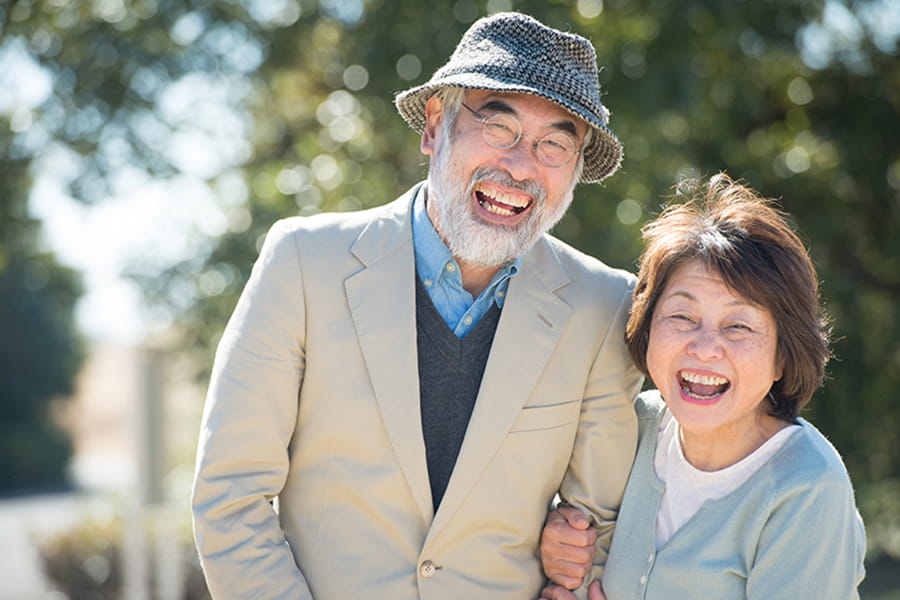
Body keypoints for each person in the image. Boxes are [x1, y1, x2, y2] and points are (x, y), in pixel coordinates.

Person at [191, 12, 644, 599]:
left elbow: (600, 528)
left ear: (576, 171)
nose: (520, 166)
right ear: (435, 126)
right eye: (498, 127)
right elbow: (231, 497)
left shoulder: (605, 305)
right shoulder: (303, 263)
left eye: (554, 144)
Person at [539, 174, 867, 600]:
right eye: (682, 317)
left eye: (738, 326)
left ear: (783, 356)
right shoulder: (635, 423)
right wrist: (558, 539)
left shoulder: (806, 487)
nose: (705, 348)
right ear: (646, 326)